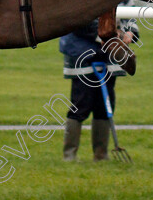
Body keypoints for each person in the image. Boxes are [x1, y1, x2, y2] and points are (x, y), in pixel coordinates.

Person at [60, 14, 139, 161]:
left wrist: (130, 32)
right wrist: (111, 38)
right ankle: (69, 155)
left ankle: (101, 154)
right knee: (80, 104)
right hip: (81, 52)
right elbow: (77, 21)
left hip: (111, 52)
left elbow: (129, 10)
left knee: (105, 105)